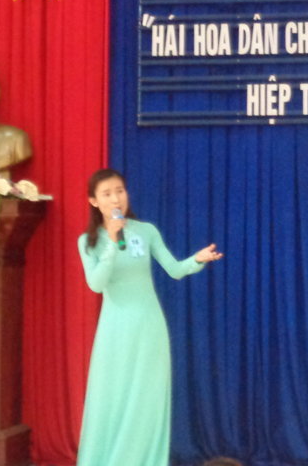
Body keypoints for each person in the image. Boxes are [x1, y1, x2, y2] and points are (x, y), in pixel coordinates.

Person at [76, 168, 223, 466]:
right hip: (115, 331)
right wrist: (112, 243)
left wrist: (196, 260)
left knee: (147, 399)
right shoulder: (88, 241)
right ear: (94, 201)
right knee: (113, 397)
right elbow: (96, 284)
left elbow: (174, 270)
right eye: (107, 194)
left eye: (120, 191)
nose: (115, 198)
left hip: (149, 326)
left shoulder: (146, 231)